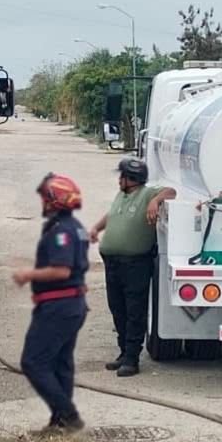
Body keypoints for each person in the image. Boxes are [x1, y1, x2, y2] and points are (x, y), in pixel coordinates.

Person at [12, 173, 90, 434]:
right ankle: (60, 423)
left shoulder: (62, 232)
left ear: (55, 200)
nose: (43, 203)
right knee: (60, 363)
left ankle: (68, 415)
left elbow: (61, 270)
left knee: (33, 362)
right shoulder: (75, 226)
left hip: (59, 307)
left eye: (46, 198)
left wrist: (28, 275)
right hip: (72, 305)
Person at [90, 157, 177, 377]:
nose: (119, 179)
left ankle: (132, 359)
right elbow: (112, 215)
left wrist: (155, 201)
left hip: (135, 264)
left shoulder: (146, 193)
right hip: (113, 263)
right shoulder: (122, 195)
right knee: (118, 310)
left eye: (122, 176)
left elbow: (171, 192)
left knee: (134, 312)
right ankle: (123, 352)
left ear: (132, 178)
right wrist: (96, 228)